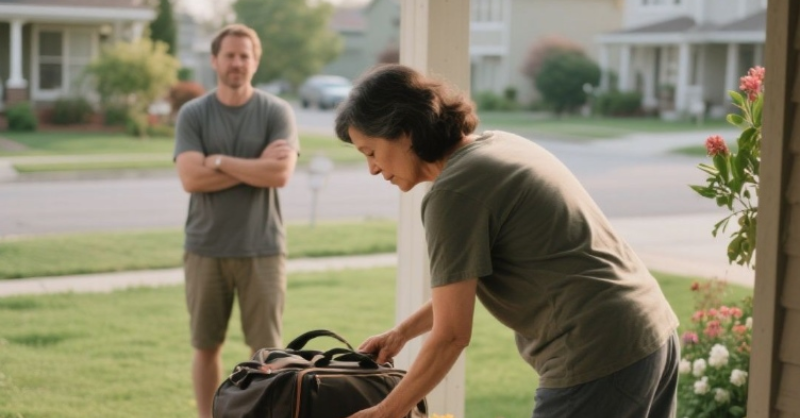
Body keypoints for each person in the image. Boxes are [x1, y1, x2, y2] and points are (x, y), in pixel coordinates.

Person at [334, 64, 680, 418]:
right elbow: (462, 287)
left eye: (371, 152)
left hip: (597, 351)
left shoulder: (455, 193)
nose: (372, 169)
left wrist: (386, 411)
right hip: (651, 330)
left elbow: (452, 335)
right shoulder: (501, 146)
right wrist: (402, 333)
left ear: (404, 131)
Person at [173, 23, 299, 418]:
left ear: (255, 62)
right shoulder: (194, 113)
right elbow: (191, 179)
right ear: (214, 60)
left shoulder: (276, 112)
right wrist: (255, 165)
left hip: (262, 248)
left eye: (245, 56)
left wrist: (218, 161)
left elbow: (280, 174)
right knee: (206, 346)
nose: (237, 63)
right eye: (229, 55)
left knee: (267, 354)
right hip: (205, 248)